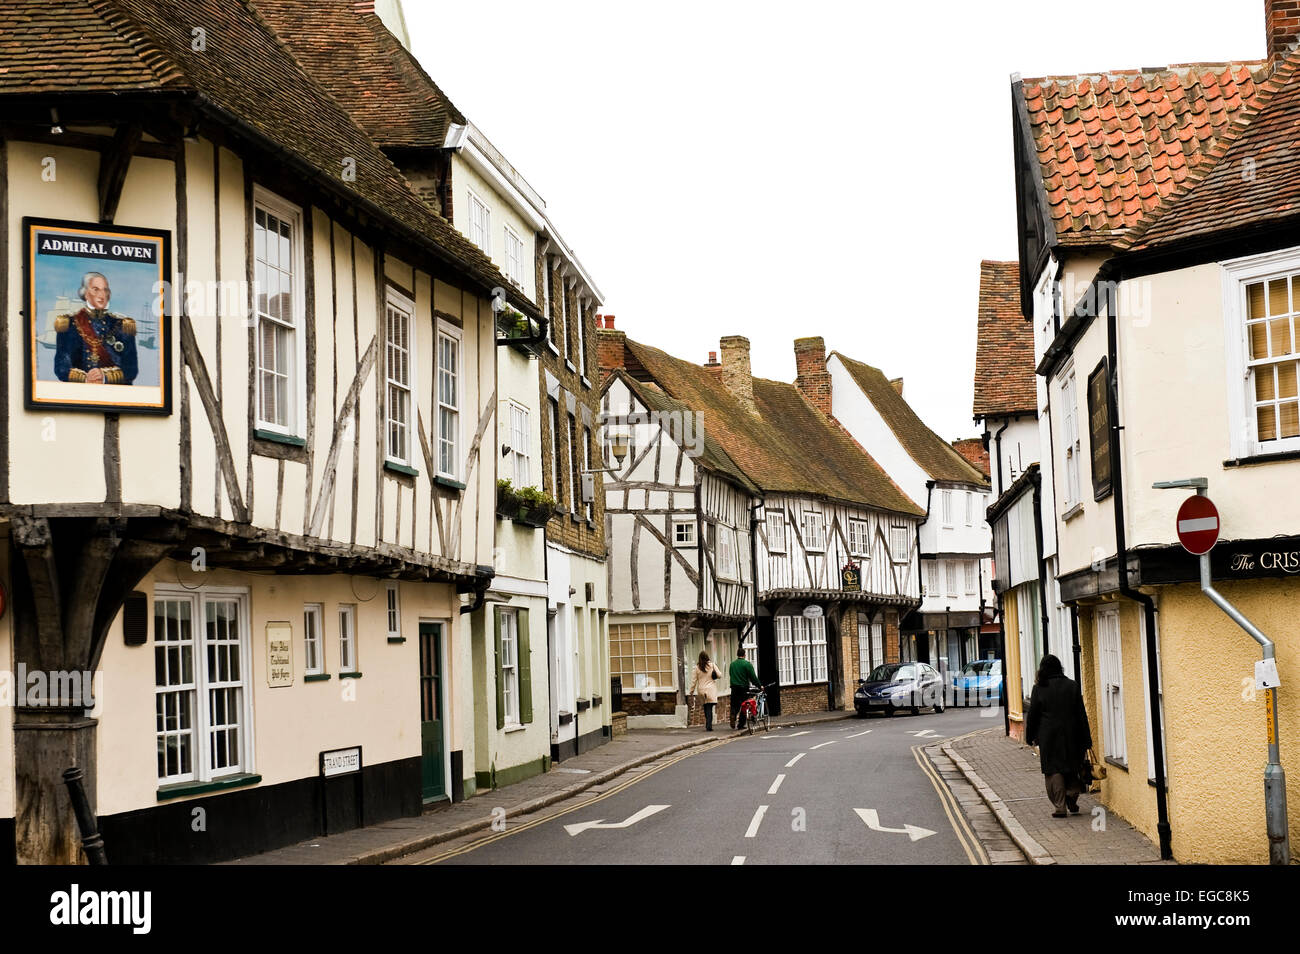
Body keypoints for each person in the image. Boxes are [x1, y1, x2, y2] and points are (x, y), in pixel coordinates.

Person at [1025, 653, 1093, 818]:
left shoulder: (1039, 688)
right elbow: (1081, 714)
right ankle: (1071, 795)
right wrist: (1087, 738)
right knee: (1073, 767)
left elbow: (1033, 715)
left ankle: (1060, 806)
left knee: (1053, 770)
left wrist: (1030, 736)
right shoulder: (1072, 686)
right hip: (1073, 734)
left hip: (1049, 736)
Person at [54, 271, 139, 385]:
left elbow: (131, 370)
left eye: (105, 290)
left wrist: (104, 377)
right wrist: (86, 378)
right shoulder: (69, 324)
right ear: (85, 293)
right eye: (96, 289)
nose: (102, 294)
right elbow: (61, 368)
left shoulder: (122, 325)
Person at [728, 646, 762, 730]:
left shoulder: (732, 664)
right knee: (744, 705)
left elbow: (730, 674)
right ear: (744, 655)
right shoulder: (747, 664)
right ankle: (740, 724)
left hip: (734, 687)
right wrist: (759, 686)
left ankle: (733, 715)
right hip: (743, 688)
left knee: (734, 704)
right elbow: (753, 677)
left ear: (737, 654)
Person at [688, 651, 723, 731]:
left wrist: (691, 691)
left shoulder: (697, 668)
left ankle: (708, 723)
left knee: (706, 707)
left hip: (701, 690)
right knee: (709, 707)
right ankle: (709, 725)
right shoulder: (712, 665)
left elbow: (694, 681)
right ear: (707, 657)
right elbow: (720, 675)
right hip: (710, 689)